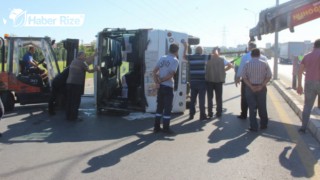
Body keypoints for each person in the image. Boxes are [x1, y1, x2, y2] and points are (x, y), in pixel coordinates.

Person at [152, 42, 186, 134]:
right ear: (177, 51)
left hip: (161, 87)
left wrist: (157, 82)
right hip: (168, 87)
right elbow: (171, 74)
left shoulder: (162, 58)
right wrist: (161, 80)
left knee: (159, 107)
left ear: (169, 50)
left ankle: (156, 127)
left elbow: (154, 71)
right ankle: (166, 128)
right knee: (167, 108)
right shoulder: (175, 60)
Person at [241, 48, 272, 132]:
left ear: (251, 55)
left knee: (252, 107)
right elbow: (269, 76)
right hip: (261, 88)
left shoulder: (247, 64)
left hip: (250, 89)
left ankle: (254, 126)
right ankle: (263, 125)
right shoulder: (265, 64)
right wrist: (262, 85)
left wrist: (251, 86)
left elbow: (244, 77)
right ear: (259, 55)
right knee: (262, 106)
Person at [235, 41, 268, 120]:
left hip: (247, 82)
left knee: (245, 98)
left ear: (249, 48)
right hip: (260, 82)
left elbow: (240, 68)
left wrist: (237, 77)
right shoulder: (264, 57)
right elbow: (268, 72)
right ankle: (261, 119)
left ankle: (244, 114)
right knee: (260, 101)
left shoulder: (245, 57)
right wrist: (264, 83)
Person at [65, 51, 100, 121]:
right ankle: (74, 117)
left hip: (69, 83)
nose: (85, 57)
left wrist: (93, 55)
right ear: (81, 56)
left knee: (69, 100)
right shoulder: (82, 63)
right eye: (84, 55)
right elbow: (89, 70)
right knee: (76, 101)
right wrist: (96, 68)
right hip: (76, 84)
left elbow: (87, 60)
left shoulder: (73, 61)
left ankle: (68, 116)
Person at [296, 39, 320, 133]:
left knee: (307, 106)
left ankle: (303, 127)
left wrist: (299, 85)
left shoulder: (307, 56)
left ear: (314, 46)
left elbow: (300, 71)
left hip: (309, 82)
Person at [205, 47, 232, 118]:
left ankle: (210, 113)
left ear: (212, 52)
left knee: (210, 97)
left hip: (209, 80)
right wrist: (224, 70)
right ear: (219, 52)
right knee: (219, 98)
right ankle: (219, 112)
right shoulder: (222, 59)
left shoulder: (208, 59)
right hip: (219, 81)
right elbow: (230, 65)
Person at [184, 46, 208, 120]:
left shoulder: (191, 57)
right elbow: (215, 55)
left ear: (196, 50)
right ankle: (202, 115)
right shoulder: (204, 56)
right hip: (202, 82)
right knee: (201, 100)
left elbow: (184, 56)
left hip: (193, 81)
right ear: (201, 51)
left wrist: (185, 46)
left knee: (193, 100)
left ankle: (191, 115)